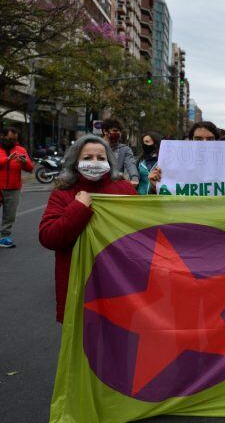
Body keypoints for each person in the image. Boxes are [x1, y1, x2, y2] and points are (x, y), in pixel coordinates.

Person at [38, 135, 136, 322]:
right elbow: (48, 237)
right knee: (83, 341)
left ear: (109, 161)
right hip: (79, 281)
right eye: (87, 158)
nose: (95, 162)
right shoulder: (63, 192)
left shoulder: (124, 189)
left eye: (101, 158)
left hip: (118, 280)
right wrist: (78, 208)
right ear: (75, 162)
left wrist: (158, 190)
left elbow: (142, 229)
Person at [0, 127, 34, 247]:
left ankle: (4, 237)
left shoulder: (21, 150)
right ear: (2, 136)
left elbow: (30, 169)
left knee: (10, 215)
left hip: (14, 188)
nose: (13, 142)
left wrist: (24, 162)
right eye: (10, 139)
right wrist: (7, 159)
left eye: (15, 139)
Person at [100, 117, 139, 186]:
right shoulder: (95, 146)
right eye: (115, 130)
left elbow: (131, 165)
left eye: (119, 131)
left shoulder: (125, 149)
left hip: (115, 186)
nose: (118, 133)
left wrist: (134, 178)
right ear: (105, 131)